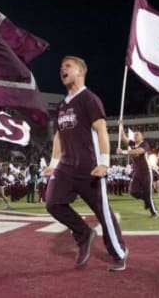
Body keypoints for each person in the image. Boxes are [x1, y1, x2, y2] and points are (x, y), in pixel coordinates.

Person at [43, 56, 128, 271]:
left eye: (68, 66)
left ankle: (118, 253)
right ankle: (84, 234)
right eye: (61, 66)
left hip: (90, 167)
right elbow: (58, 137)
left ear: (80, 71)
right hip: (66, 168)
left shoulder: (89, 98)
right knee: (52, 202)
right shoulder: (62, 105)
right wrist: (53, 163)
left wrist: (105, 163)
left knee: (103, 211)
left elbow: (101, 130)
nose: (62, 69)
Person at [117, 126, 159, 218]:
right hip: (137, 172)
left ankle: (154, 212)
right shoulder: (132, 144)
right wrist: (121, 127)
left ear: (141, 137)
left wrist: (123, 152)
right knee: (133, 192)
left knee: (148, 193)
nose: (135, 136)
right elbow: (124, 138)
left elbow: (138, 151)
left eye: (137, 135)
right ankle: (146, 200)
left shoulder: (144, 144)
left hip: (146, 172)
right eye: (134, 135)